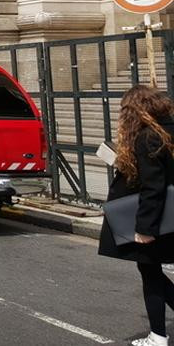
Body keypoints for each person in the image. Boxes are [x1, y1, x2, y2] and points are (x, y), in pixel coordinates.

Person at [99, 85, 174, 346]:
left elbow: (153, 186)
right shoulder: (167, 131)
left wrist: (145, 228)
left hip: (157, 218)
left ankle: (158, 336)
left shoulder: (148, 137)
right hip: (169, 214)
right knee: (150, 269)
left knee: (150, 271)